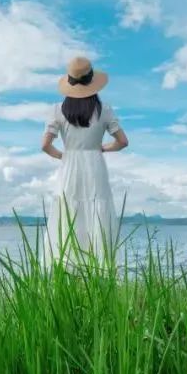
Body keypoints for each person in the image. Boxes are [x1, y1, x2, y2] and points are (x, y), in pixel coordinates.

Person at [41, 56, 128, 268]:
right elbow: (122, 142)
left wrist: (65, 156)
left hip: (69, 166)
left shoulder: (57, 110)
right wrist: (102, 148)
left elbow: (45, 145)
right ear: (91, 81)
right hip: (95, 164)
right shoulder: (104, 109)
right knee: (97, 212)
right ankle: (99, 267)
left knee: (68, 213)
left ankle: (66, 267)